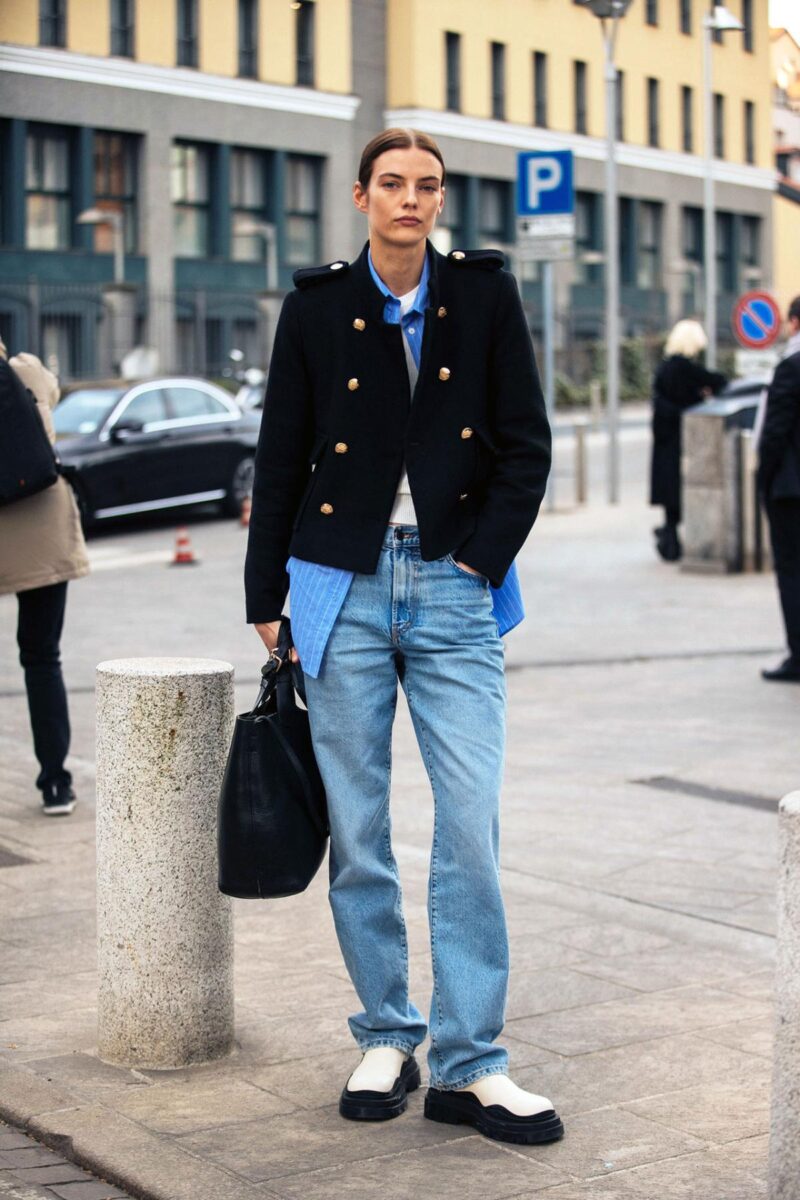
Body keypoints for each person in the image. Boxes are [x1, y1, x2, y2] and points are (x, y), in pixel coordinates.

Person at [244, 128, 563, 1146]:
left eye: (426, 186)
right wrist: (267, 595)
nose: (410, 200)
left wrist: (476, 557)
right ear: (360, 196)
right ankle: (387, 1030)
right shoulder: (315, 307)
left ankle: (469, 1064)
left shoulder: (479, 296)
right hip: (333, 585)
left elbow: (525, 443)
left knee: (468, 825)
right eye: (392, 184)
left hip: (452, 582)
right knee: (360, 832)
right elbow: (281, 453)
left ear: (439, 200)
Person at [0, 342, 89, 813]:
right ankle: (56, 782)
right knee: (40, 657)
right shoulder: (26, 370)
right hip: (44, 530)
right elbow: (51, 394)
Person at [649, 319, 726, 561]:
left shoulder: (664, 367)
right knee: (680, 493)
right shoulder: (685, 368)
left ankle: (669, 539)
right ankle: (671, 543)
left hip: (664, 441)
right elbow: (719, 381)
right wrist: (702, 397)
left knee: (671, 499)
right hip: (682, 441)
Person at [757, 295, 800, 683]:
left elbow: (774, 432)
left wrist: (762, 479)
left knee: (791, 571)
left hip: (791, 492)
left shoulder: (791, 368)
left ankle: (798, 656)